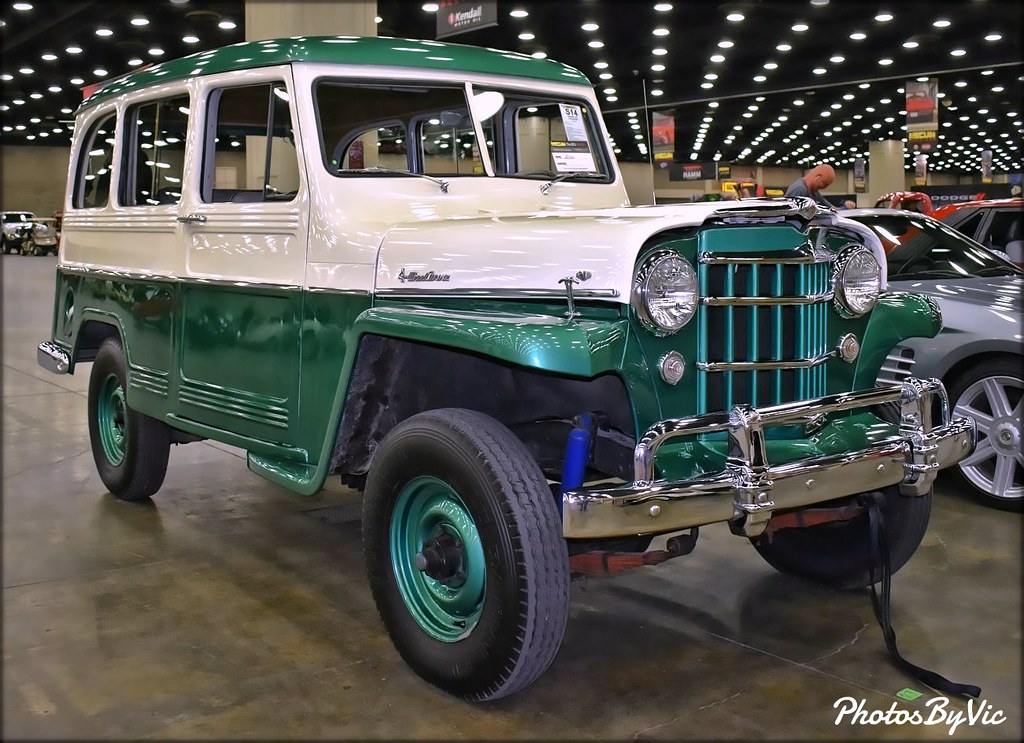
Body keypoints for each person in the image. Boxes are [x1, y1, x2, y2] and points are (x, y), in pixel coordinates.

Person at [785, 164, 856, 209]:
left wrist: (846, 207)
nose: (824, 187)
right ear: (817, 177)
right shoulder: (800, 189)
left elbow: (832, 209)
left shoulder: (814, 192)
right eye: (824, 184)